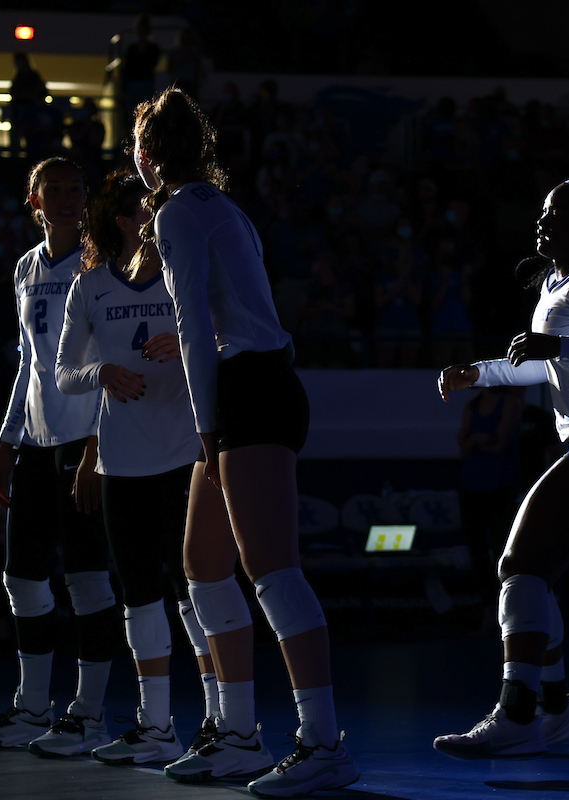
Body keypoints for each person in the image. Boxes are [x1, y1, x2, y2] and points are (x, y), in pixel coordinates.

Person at [132, 88, 358, 796]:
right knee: (202, 563)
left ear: (145, 155)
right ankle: (236, 736)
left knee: (273, 571)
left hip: (250, 396)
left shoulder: (172, 212)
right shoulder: (220, 206)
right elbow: (224, 312)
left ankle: (322, 743)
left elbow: (201, 324)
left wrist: (202, 422)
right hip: (249, 384)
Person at [435, 176, 569, 758]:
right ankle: (556, 708)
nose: (542, 219)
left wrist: (557, 348)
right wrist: (478, 372)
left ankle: (519, 714)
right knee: (535, 575)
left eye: (556, 213)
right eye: (542, 210)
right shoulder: (558, 286)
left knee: (520, 563)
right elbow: (540, 367)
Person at [55, 169, 218, 764]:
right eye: (150, 210)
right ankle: (156, 728)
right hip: (123, 465)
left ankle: (219, 722)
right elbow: (62, 374)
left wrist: (194, 343)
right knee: (140, 597)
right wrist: (102, 373)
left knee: (193, 592)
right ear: (127, 221)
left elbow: (234, 339)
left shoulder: (187, 279)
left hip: (184, 459)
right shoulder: (90, 286)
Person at [0, 157, 122, 757]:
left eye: (74, 188)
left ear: (85, 198)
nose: (64, 197)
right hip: (33, 441)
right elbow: (29, 368)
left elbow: (111, 362)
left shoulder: (103, 262)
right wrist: (4, 448)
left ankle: (90, 716)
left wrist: (95, 452)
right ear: (34, 201)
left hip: (85, 444)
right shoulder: (27, 268)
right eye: (51, 189)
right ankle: (33, 709)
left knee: (86, 578)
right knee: (21, 576)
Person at [457, 385, 524, 633]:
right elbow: (464, 446)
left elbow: (499, 442)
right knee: (477, 550)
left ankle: (509, 610)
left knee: (501, 548)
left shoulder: (510, 403)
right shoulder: (472, 407)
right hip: (471, 485)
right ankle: (488, 609)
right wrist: (476, 439)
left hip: (499, 485)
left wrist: (474, 440)